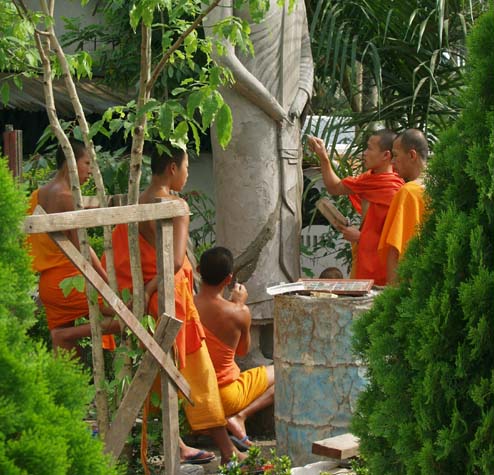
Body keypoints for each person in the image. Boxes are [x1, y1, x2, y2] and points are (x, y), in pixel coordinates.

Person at [110, 142, 243, 465]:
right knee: (200, 374)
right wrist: (156, 285)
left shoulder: (138, 201)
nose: (186, 175)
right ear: (172, 168)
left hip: (152, 300)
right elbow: (177, 258)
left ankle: (182, 444)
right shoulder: (175, 205)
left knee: (158, 371)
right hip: (173, 298)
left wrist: (145, 292)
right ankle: (228, 453)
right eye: (185, 168)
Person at [203, 0, 314, 325]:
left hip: (288, 121)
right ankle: (244, 326)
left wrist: (298, 99)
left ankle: (276, 324)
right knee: (250, 219)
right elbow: (221, 56)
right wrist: (272, 106)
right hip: (246, 124)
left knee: (285, 222)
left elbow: (305, 56)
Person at [27, 138, 119, 354]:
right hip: (68, 281)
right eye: (87, 163)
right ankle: (64, 334)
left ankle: (64, 378)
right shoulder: (67, 196)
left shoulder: (38, 194)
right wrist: (106, 283)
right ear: (70, 163)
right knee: (125, 314)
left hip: (49, 284)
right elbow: (83, 248)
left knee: (67, 359)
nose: (91, 170)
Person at [194, 247, 275, 451]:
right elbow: (242, 350)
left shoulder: (187, 306)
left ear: (197, 270)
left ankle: (236, 419)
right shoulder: (238, 312)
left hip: (196, 397)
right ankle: (240, 416)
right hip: (227, 396)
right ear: (229, 278)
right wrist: (238, 306)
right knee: (284, 372)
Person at [308, 131, 404, 285]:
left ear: (386, 155)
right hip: (364, 259)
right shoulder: (367, 179)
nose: (364, 153)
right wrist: (323, 157)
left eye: (369, 149)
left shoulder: (394, 190)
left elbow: (395, 239)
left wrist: (361, 237)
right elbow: (335, 187)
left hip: (382, 266)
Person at [379, 129, 428, 283]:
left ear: (412, 155)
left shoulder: (409, 192)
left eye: (396, 155)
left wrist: (392, 296)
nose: (392, 162)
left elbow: (396, 250)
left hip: (410, 285)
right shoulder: (444, 187)